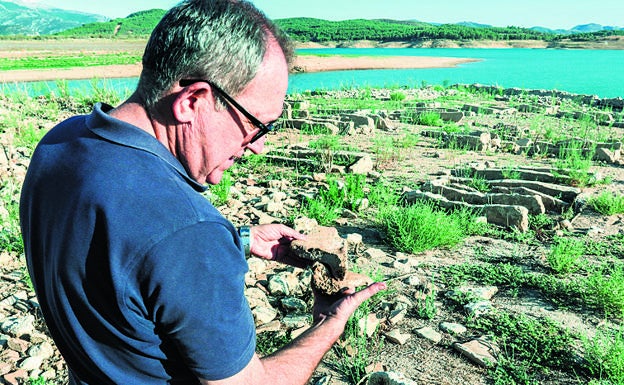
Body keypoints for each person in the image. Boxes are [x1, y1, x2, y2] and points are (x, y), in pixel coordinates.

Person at [19, 0, 386, 384]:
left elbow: (121, 251)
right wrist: (328, 324)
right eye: (257, 124)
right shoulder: (188, 234)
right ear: (192, 101)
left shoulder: (62, 141)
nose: (258, 145)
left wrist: (238, 240)